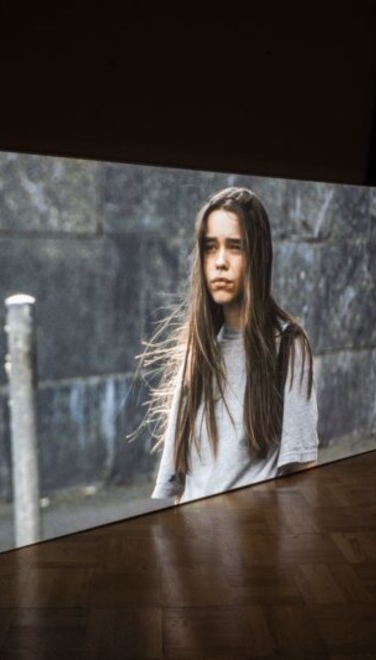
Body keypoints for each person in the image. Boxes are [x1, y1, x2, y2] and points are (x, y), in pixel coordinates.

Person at [141, 186, 319, 504]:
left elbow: (301, 474)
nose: (220, 262)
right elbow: (178, 486)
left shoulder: (287, 346)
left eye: (235, 247)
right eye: (210, 248)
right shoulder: (198, 353)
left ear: (257, 256)